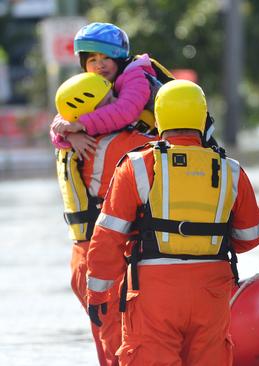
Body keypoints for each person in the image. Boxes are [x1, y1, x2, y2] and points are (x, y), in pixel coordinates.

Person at [85, 80, 259, 365]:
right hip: (212, 289)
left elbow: (108, 237)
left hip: (154, 291)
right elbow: (252, 234)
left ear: (158, 118)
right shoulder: (231, 170)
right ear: (203, 118)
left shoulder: (137, 166)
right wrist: (207, 239)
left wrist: (97, 295)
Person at [54, 72, 158, 366]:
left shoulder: (75, 143)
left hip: (88, 258)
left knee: (111, 350)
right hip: (102, 262)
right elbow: (169, 143)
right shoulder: (109, 146)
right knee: (120, 352)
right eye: (108, 101)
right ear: (88, 113)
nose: (118, 106)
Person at [50, 22, 162, 160]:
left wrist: (80, 125)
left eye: (106, 58)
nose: (99, 65)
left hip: (163, 149)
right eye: (92, 59)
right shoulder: (91, 83)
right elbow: (62, 118)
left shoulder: (136, 76)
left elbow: (125, 111)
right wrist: (70, 134)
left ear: (119, 60)